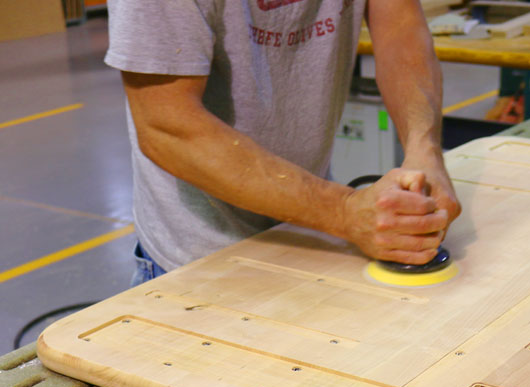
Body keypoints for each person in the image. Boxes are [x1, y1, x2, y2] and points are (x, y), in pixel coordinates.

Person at [104, 0, 461, 284]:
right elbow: (167, 127)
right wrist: (344, 211)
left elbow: (401, 30)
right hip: (198, 262)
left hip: (306, 232)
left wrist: (423, 149)